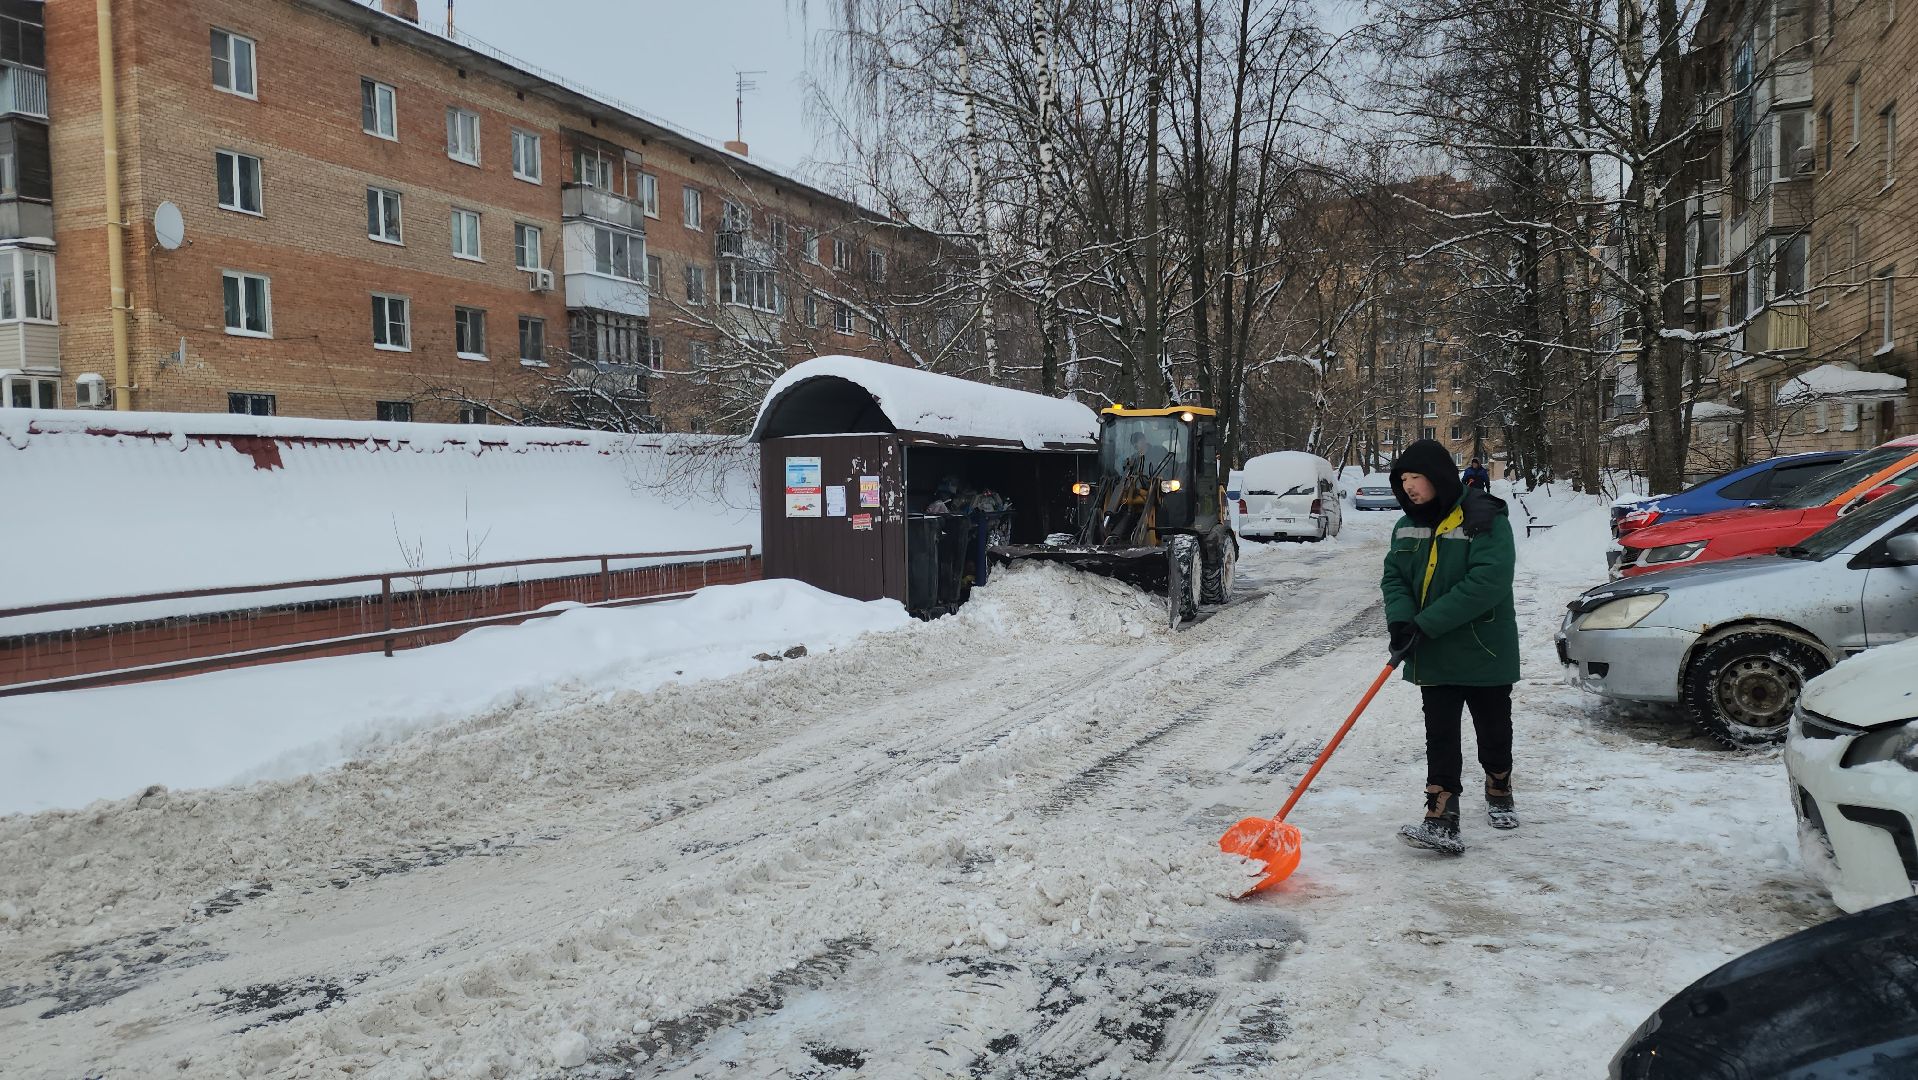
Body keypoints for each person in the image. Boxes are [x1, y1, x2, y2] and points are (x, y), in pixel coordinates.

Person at [1380, 439, 1521, 855]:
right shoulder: (1406, 523)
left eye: (1415, 477)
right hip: (1433, 650)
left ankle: (1499, 787)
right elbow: (1395, 578)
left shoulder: (1485, 518)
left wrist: (1426, 622)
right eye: (1402, 479)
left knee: (1492, 729)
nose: (1408, 487)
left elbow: (1488, 583)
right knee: (1440, 734)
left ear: (1438, 477)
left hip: (1484, 648)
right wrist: (1402, 619)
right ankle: (1441, 815)